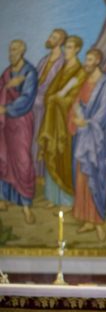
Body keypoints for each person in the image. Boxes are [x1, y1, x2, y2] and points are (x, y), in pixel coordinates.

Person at [68, 48, 106, 242]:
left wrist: (88, 123)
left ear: (97, 60)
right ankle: (86, 219)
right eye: (86, 59)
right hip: (83, 137)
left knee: (96, 176)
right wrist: (75, 112)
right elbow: (78, 102)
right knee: (82, 176)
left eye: (89, 59)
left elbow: (105, 110)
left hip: (98, 139)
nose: (86, 63)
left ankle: (97, 220)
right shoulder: (85, 81)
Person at [38, 35, 85, 209]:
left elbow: (76, 98)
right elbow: (51, 92)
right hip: (54, 120)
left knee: (64, 156)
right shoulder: (63, 68)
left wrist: (59, 99)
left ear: (77, 49)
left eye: (70, 47)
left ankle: (66, 199)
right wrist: (53, 98)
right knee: (53, 154)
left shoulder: (80, 71)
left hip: (66, 122)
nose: (66, 50)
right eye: (66, 47)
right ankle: (52, 197)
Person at [0, 39, 38, 224]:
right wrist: (7, 87)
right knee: (5, 157)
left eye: (14, 49)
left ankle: (26, 205)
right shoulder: (7, 73)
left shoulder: (29, 72)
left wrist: (7, 108)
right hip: (5, 122)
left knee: (23, 160)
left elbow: (27, 98)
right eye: (10, 49)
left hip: (21, 121)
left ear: (22, 51)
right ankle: (5, 197)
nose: (11, 52)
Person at [33, 28, 67, 177]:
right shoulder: (44, 60)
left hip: (49, 106)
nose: (50, 39)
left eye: (54, 37)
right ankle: (34, 172)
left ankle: (41, 173)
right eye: (51, 36)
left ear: (60, 41)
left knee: (42, 139)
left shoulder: (63, 62)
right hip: (35, 103)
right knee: (33, 138)